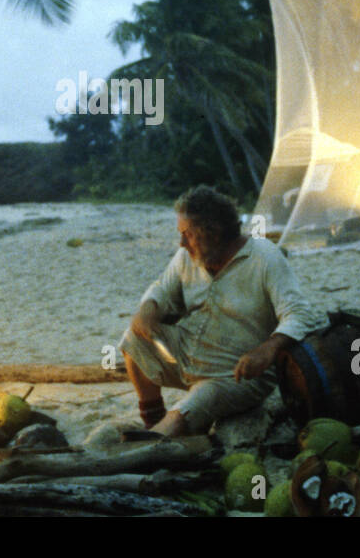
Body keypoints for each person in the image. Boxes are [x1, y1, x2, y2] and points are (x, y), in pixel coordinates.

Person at [119, 185, 312, 437]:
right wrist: (147, 310)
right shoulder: (187, 256)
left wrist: (267, 349)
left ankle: (155, 442)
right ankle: (152, 421)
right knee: (133, 341)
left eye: (187, 234)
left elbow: (300, 313)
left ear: (214, 232)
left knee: (197, 401)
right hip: (187, 353)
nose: (181, 242)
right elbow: (161, 290)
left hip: (237, 372)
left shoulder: (265, 257)